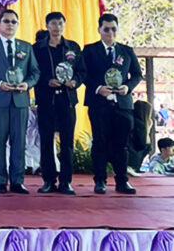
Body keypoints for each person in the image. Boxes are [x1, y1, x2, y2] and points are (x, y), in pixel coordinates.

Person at [0, 9, 40, 194]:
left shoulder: (26, 47)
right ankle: (1, 181)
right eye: (6, 21)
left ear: (18, 24)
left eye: (13, 21)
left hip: (20, 101)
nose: (10, 24)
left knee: (19, 142)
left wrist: (27, 84)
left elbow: (35, 72)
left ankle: (17, 181)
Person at [82, 13, 143, 195]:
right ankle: (100, 180)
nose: (110, 33)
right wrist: (98, 88)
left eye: (113, 29)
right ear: (99, 30)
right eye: (106, 29)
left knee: (122, 144)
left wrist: (127, 87)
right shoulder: (90, 50)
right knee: (100, 142)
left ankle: (122, 181)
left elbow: (137, 75)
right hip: (99, 104)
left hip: (122, 104)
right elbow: (83, 74)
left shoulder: (126, 51)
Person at [32, 12, 86, 195]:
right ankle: (48, 181)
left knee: (67, 143)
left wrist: (75, 82)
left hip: (67, 101)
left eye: (60, 23)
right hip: (46, 101)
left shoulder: (73, 47)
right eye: (53, 24)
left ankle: (66, 182)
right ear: (47, 26)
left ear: (64, 25)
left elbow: (82, 71)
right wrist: (47, 81)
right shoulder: (37, 48)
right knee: (46, 142)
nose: (57, 27)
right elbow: (33, 72)